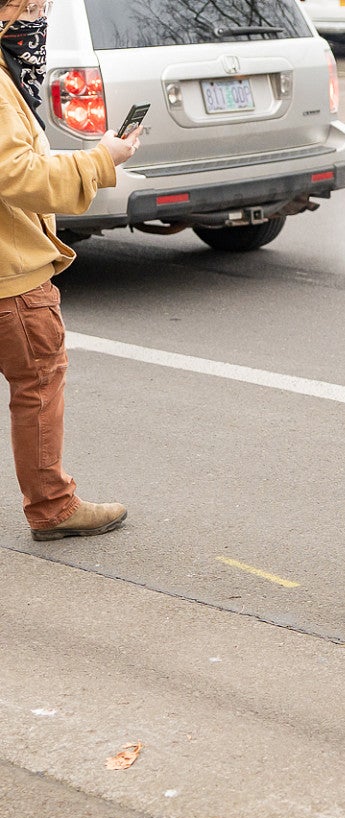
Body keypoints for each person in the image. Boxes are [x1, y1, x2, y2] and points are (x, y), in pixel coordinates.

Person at [2, 0, 138, 539]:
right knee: (37, 383)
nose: (38, 16)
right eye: (26, 5)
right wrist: (100, 158)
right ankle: (53, 507)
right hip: (11, 274)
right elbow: (18, 173)